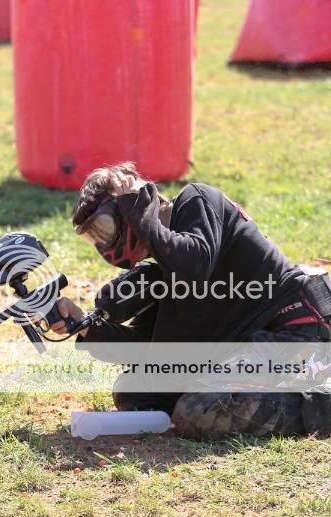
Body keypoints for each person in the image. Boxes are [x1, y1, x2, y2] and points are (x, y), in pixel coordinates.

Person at [52, 162, 331, 439]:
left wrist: (143, 217)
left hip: (297, 333)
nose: (103, 243)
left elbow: (194, 266)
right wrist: (85, 326)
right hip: (246, 341)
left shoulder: (197, 200)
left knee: (200, 411)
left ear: (134, 203)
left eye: (104, 227)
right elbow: (151, 351)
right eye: (94, 236)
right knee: (137, 391)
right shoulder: (164, 262)